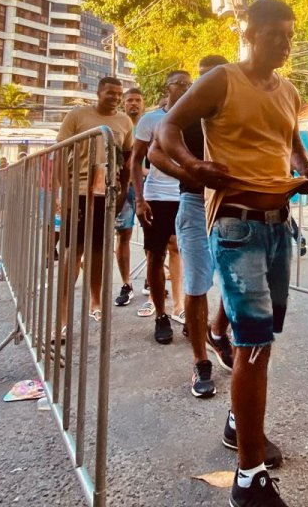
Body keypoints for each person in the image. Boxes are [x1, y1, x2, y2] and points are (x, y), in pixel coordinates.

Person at [158, 0, 308, 507]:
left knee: (262, 342)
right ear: (248, 33)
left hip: (277, 226)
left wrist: (305, 171)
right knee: (252, 346)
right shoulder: (222, 80)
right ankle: (248, 478)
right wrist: (192, 167)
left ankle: (238, 423)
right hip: (235, 226)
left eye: (289, 34)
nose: (285, 43)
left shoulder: (288, 90)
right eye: (275, 34)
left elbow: (291, 142)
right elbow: (166, 131)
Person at [149, 54, 236, 385]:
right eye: (200, 77)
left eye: (213, 75)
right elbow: (155, 151)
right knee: (197, 283)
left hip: (233, 205)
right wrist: (188, 172)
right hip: (196, 205)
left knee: (236, 279)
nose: (203, 82)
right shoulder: (186, 111)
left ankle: (218, 331)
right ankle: (200, 361)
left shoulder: (237, 107)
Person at [55, 76, 135, 325]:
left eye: (118, 94)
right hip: (78, 193)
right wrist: (64, 193)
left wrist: (122, 192)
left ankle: (95, 300)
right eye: (110, 93)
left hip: (106, 195)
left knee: (100, 251)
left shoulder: (124, 121)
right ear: (98, 93)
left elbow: (128, 158)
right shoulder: (77, 115)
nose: (115, 97)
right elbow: (60, 155)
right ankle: (64, 311)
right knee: (73, 250)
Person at [131, 72, 190, 348]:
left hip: (187, 194)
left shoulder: (195, 118)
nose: (187, 88)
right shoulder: (150, 120)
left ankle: (186, 309)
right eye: (181, 83)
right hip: (157, 196)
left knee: (186, 252)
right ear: (168, 88)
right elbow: (135, 161)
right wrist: (140, 198)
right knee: (156, 255)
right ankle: (161, 316)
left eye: (190, 84)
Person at [114, 86, 145, 308]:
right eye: (129, 100)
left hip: (147, 187)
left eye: (137, 100)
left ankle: (152, 282)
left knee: (154, 238)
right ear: (123, 104)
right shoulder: (118, 126)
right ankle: (126, 284)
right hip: (124, 187)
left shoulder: (151, 123)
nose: (133, 103)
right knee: (123, 234)